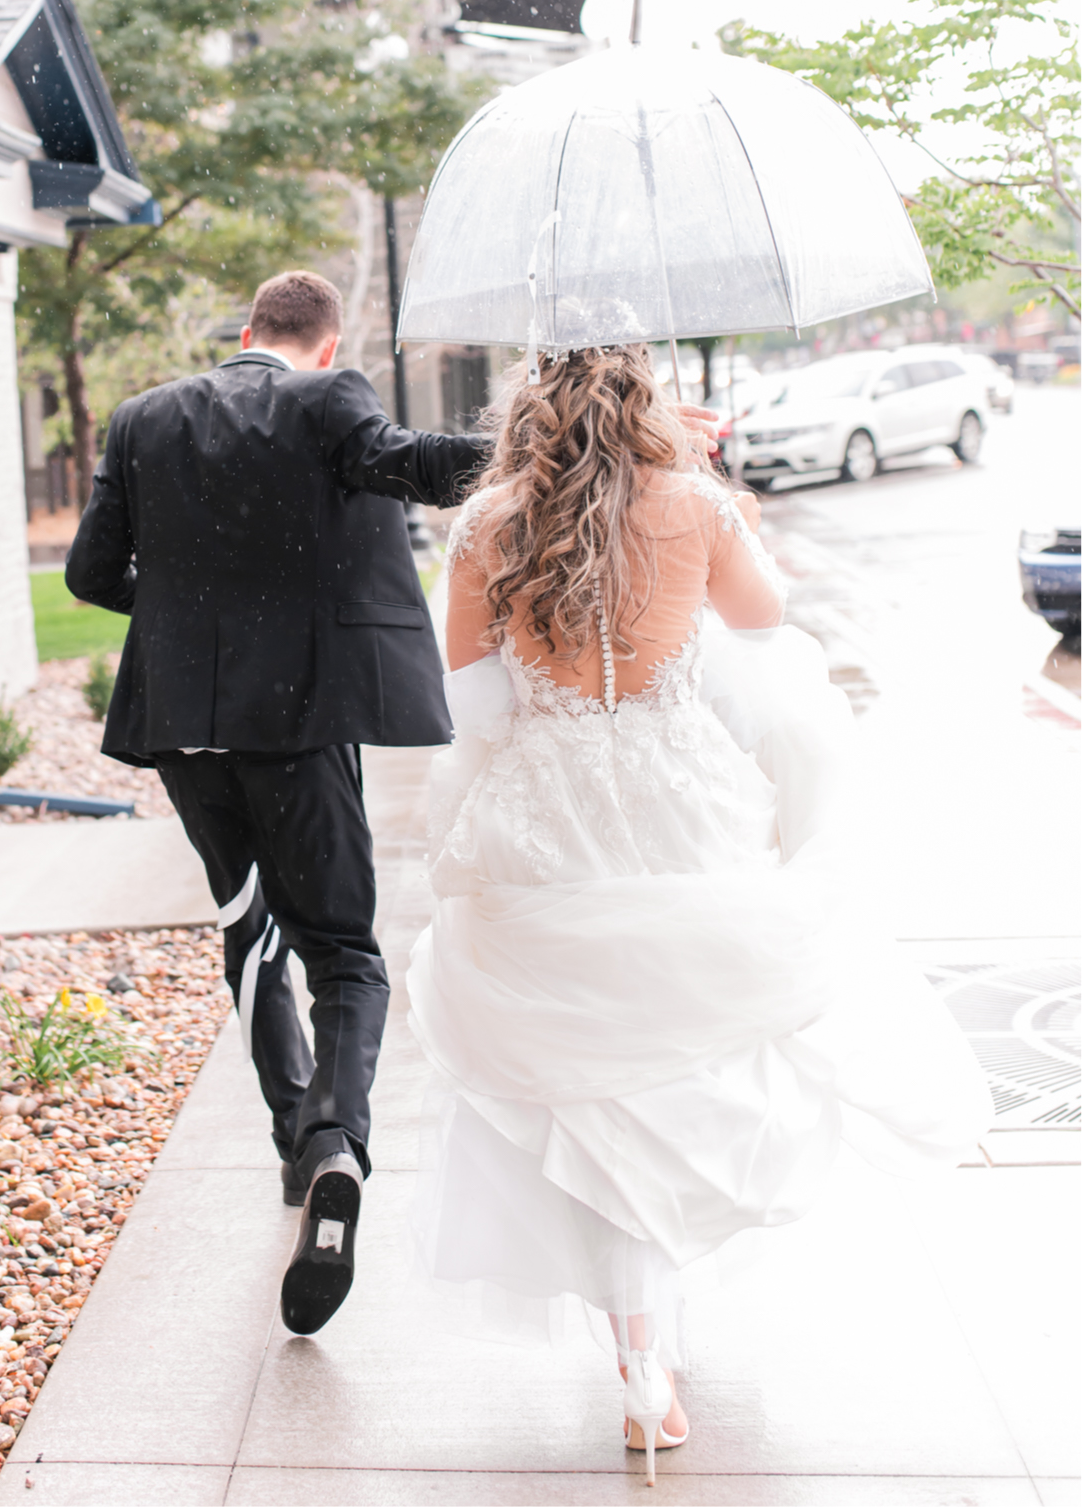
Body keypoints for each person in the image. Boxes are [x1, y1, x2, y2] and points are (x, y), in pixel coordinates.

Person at [407, 345, 989, 1483]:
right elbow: (768, 640)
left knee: (581, 1084)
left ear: (529, 409)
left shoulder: (486, 526)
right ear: (645, 406)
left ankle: (639, 1360)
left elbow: (470, 700)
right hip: (684, 802)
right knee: (680, 1068)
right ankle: (656, 1327)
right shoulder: (697, 506)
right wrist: (719, 511)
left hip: (546, 810)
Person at [65, 269, 488, 1335]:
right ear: (328, 347)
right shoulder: (329, 402)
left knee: (247, 925)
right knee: (345, 950)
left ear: (245, 331)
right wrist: (537, 444)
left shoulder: (141, 417)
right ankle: (337, 1138)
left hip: (182, 729)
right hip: (297, 726)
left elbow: (88, 574)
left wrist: (181, 611)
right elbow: (419, 471)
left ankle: (292, 1136)